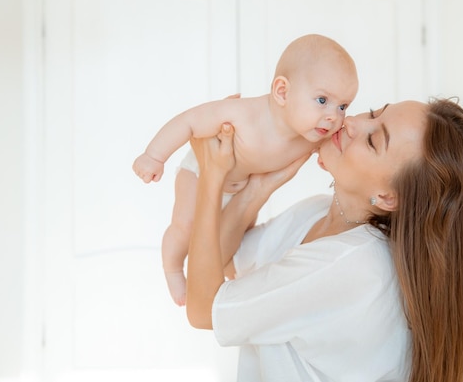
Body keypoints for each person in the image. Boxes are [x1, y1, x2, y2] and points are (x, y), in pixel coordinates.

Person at [186, 98, 463, 382]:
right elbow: (225, 263)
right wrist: (261, 185)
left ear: (388, 197)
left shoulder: (351, 265)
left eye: (373, 140)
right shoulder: (317, 211)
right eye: (374, 112)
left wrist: (211, 174)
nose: (352, 123)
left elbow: (204, 309)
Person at [132, 34, 359, 306]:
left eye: (343, 106)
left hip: (239, 188)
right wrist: (154, 155)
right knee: (186, 228)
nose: (335, 116)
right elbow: (190, 122)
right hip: (199, 172)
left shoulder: (313, 133)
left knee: (235, 242)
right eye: (322, 100)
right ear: (282, 92)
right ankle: (172, 270)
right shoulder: (243, 114)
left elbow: (334, 152)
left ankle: (218, 284)